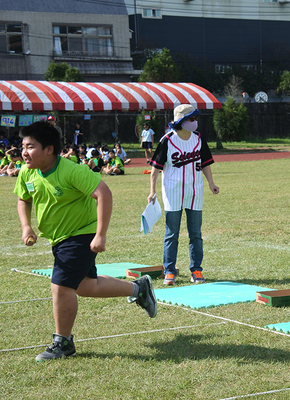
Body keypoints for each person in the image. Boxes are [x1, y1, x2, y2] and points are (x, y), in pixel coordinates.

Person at [14, 121, 157, 361]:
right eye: (23, 146)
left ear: (49, 149)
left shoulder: (72, 171)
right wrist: (27, 226)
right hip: (59, 238)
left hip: (81, 234)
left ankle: (63, 342)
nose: (24, 152)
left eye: (30, 146)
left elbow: (104, 193)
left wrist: (100, 234)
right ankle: (138, 288)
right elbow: (23, 199)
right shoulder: (27, 172)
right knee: (86, 287)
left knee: (60, 285)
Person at [148, 104, 220, 285]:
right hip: (172, 192)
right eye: (191, 119)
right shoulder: (168, 140)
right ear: (180, 121)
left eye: (196, 119)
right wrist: (152, 191)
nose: (195, 122)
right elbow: (155, 169)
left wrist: (211, 183)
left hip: (195, 191)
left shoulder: (198, 139)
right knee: (172, 233)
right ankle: (169, 271)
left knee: (195, 233)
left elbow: (205, 163)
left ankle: (196, 270)